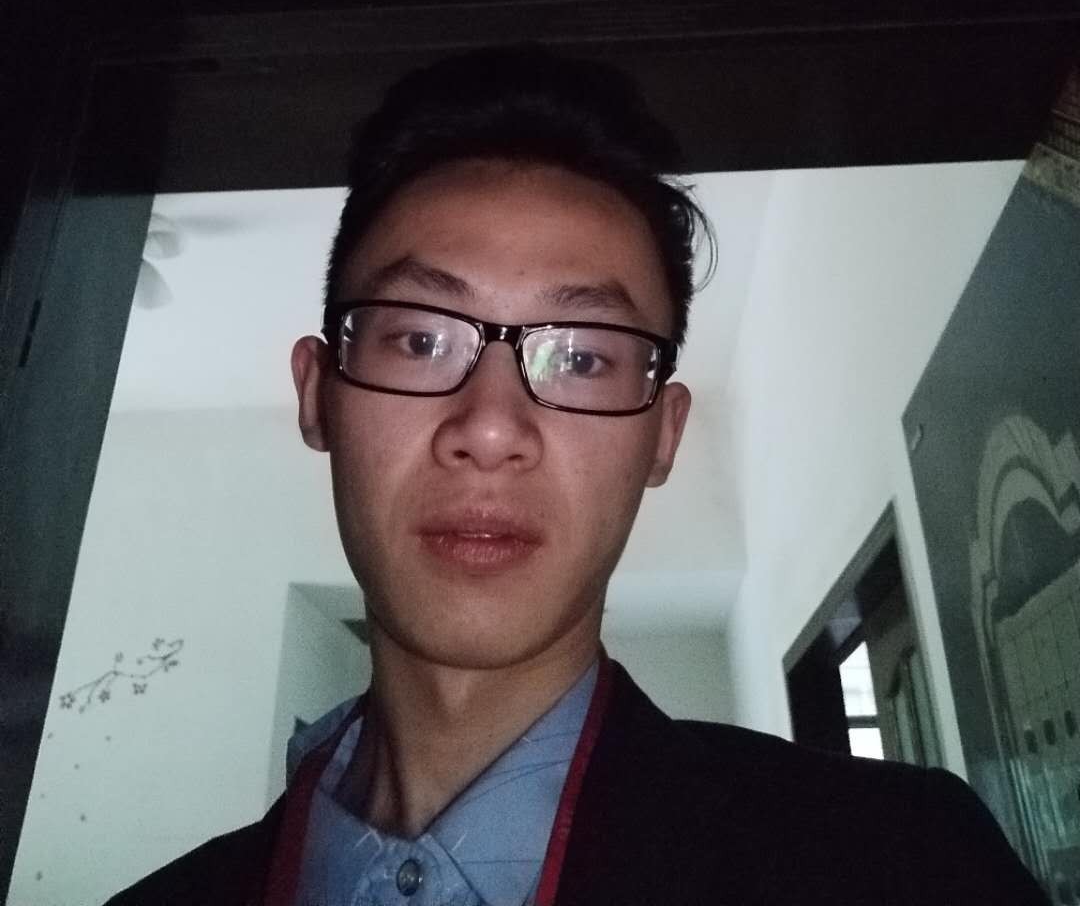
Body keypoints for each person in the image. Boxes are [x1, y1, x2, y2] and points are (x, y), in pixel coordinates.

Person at [108, 46, 1047, 906]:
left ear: (663, 438)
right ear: (319, 394)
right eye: (421, 340)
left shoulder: (905, 864)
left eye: (583, 358)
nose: (489, 429)